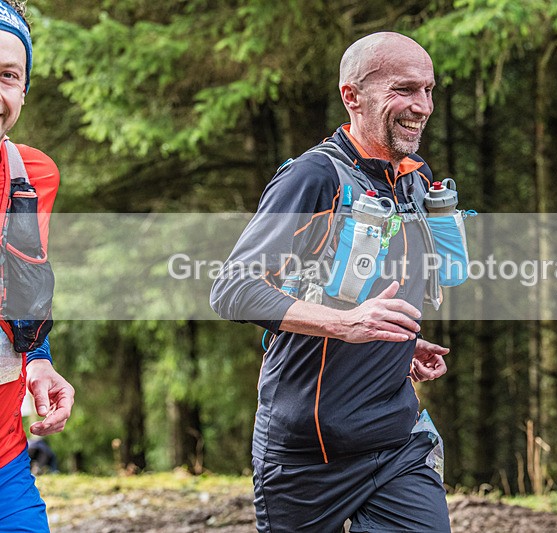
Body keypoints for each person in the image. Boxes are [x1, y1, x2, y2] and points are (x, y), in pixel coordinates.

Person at [212, 32, 457, 532]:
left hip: (397, 441)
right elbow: (233, 289)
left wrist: (395, 344)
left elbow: (366, 295)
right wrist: (344, 325)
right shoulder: (312, 178)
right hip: (306, 452)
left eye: (428, 89)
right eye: (404, 89)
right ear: (352, 96)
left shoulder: (413, 178)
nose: (423, 106)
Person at [0, 1, 74, 531]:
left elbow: (24, 289)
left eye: (7, 75)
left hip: (5, 462)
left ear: (24, 90)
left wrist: (40, 361)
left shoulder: (32, 176)